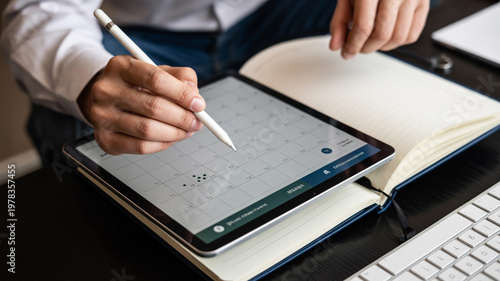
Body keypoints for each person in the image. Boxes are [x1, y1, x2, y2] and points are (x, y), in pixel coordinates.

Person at [1, 0, 430, 166]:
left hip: (285, 11)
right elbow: (38, 12)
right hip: (149, 36)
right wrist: (90, 80)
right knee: (96, 136)